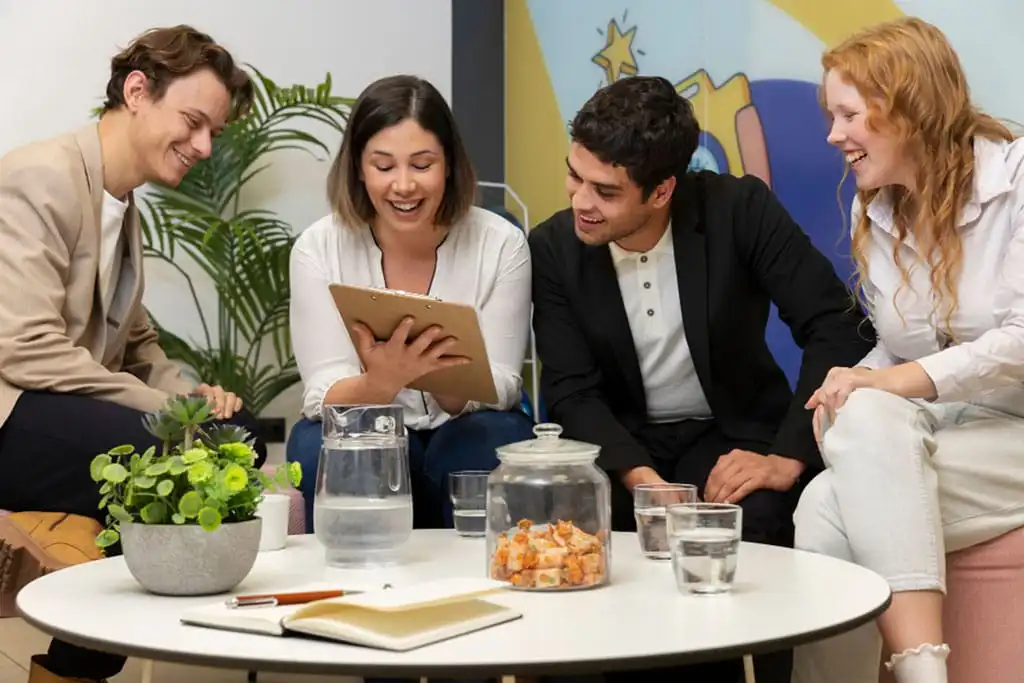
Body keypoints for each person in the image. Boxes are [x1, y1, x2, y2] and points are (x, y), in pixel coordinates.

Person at [528, 75, 874, 683]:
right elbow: (571, 391)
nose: (580, 200)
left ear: (662, 190)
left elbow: (838, 330)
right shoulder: (553, 248)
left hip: (732, 433)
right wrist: (641, 480)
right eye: (573, 176)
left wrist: (786, 457)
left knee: (758, 517)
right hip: (621, 446)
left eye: (605, 191)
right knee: (583, 536)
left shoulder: (739, 210)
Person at [0, 25, 264, 683]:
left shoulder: (120, 201)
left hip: (58, 407)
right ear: (138, 91)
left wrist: (194, 394)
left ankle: (70, 668)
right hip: (11, 409)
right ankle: (77, 667)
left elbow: (139, 343)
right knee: (162, 454)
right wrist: (169, 409)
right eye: (194, 122)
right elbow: (24, 347)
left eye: (214, 132)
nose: (204, 145)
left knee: (239, 439)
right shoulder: (43, 175)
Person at [791, 17, 1024, 683]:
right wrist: (849, 384)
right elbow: (900, 350)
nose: (834, 135)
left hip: (1018, 432)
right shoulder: (881, 213)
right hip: (955, 433)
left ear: (908, 106)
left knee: (825, 505)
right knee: (850, 435)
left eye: (848, 114)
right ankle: (926, 671)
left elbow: (1020, 340)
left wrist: (889, 386)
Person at [287, 74, 536, 535]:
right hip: (365, 417)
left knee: (491, 439)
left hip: (466, 423)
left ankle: (482, 580)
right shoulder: (318, 248)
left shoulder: (501, 243)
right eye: (384, 166)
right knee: (317, 443)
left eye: (422, 165)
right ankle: (360, 584)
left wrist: (447, 379)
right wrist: (382, 381)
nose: (403, 186)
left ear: (449, 166)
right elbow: (322, 391)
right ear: (359, 168)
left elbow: (503, 383)